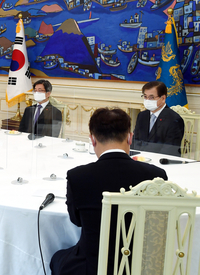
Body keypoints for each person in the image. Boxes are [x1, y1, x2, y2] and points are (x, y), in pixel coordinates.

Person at [50, 107, 167, 275]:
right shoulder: (156, 175)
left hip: (92, 266)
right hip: (143, 266)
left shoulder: (78, 176)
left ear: (93, 139)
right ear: (129, 137)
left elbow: (77, 221)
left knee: (57, 257)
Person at [131, 81, 185, 157]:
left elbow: (170, 149)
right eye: (145, 96)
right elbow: (135, 141)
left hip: (162, 162)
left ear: (163, 98)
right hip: (141, 160)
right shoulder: (142, 115)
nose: (147, 100)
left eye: (151, 97)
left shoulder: (174, 120)